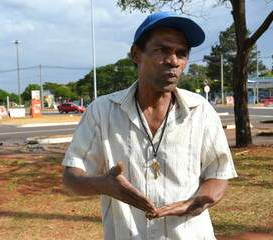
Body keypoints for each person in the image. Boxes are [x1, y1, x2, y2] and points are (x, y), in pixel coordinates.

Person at [62, 11, 237, 240]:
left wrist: (196, 202)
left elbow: (218, 173)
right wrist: (102, 184)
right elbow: (71, 178)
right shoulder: (102, 111)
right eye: (161, 50)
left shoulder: (200, 111)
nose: (173, 61)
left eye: (181, 53)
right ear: (136, 54)